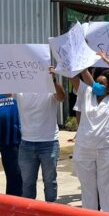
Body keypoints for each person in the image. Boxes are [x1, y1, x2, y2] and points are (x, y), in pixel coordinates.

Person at [70, 53, 109, 213]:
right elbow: (76, 75)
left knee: (106, 190)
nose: (97, 86)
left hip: (107, 150)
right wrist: (80, 55)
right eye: (96, 82)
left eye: (102, 84)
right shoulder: (87, 93)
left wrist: (105, 59)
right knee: (88, 191)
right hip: (84, 149)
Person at [15, 67, 66, 202]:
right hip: (26, 143)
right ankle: (29, 214)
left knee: (50, 182)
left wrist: (53, 80)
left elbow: (61, 97)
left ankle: (50, 212)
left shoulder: (50, 89)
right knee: (27, 183)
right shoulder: (20, 90)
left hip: (49, 143)